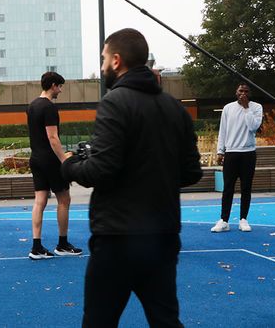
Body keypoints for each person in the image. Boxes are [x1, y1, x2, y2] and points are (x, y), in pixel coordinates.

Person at [61, 28, 202, 327]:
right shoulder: (175, 108)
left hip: (118, 239)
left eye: (102, 59)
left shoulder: (115, 102)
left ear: (116, 60)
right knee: (166, 320)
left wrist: (70, 165)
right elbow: (191, 172)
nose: (101, 67)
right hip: (162, 236)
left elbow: (100, 170)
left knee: (99, 321)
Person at [26, 71, 82, 259]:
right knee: (64, 200)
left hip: (36, 159)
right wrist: (64, 161)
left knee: (39, 201)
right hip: (50, 160)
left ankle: (36, 247)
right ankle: (62, 244)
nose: (61, 90)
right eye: (59, 86)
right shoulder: (49, 107)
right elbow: (52, 138)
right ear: (52, 86)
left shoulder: (32, 106)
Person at [210, 83, 263, 233]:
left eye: (246, 91)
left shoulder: (256, 107)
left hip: (248, 153)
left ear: (250, 93)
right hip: (231, 152)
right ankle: (224, 220)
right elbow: (223, 130)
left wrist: (246, 108)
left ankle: (243, 220)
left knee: (246, 188)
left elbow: (253, 127)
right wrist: (220, 151)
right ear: (236, 92)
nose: (243, 93)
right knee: (228, 188)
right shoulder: (228, 108)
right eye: (241, 90)